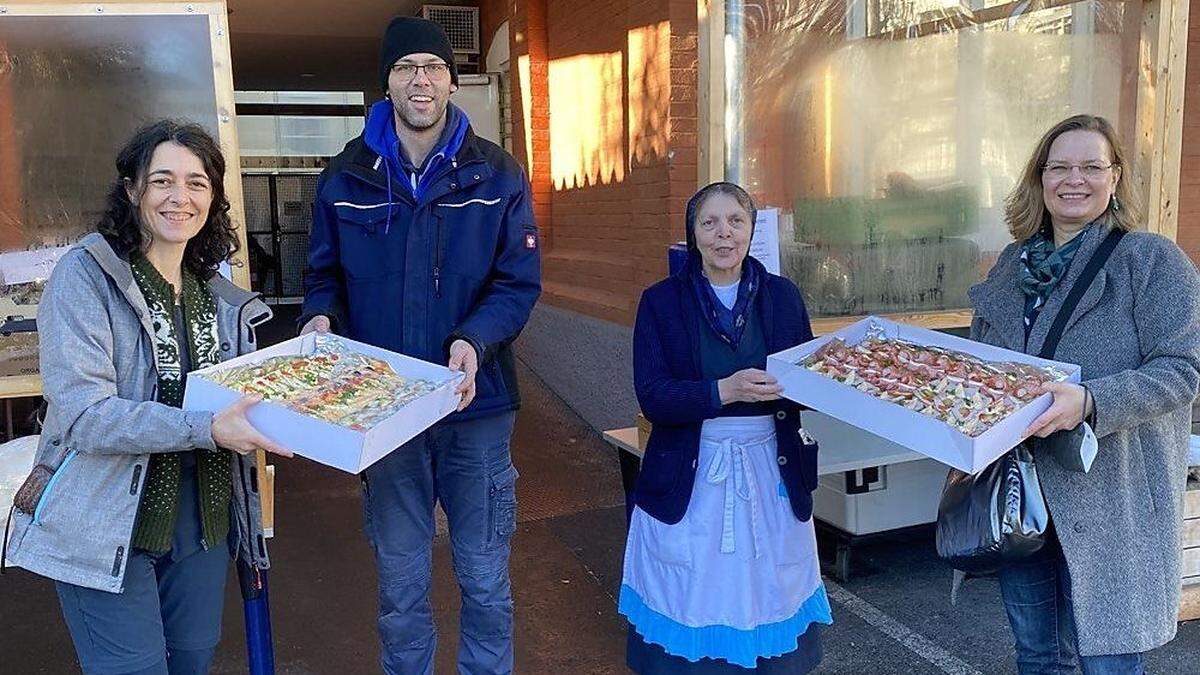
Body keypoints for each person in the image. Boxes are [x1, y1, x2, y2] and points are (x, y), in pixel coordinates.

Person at [3, 120, 292, 674]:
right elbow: (86, 415)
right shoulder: (85, 278)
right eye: (162, 180)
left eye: (197, 183)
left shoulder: (220, 296)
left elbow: (245, 398)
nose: (179, 197)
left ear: (214, 196)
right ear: (133, 190)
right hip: (107, 519)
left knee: (191, 660)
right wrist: (206, 429)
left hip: (202, 523)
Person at [299, 16, 540, 675]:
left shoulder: (496, 173)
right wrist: (320, 319)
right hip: (387, 416)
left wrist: (473, 340)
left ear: (452, 82)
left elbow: (518, 282)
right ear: (387, 83)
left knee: (484, 574)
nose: (420, 79)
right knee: (402, 585)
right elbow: (322, 277)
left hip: (476, 405)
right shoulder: (344, 178)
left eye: (432, 67)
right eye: (406, 67)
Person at [969, 114, 1200, 673]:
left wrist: (1091, 400)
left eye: (1092, 166)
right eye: (1060, 167)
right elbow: (983, 369)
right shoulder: (1010, 265)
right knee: (1039, 655)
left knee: (1108, 660)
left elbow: (1183, 369)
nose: (1076, 179)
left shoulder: (1150, 260)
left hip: (1110, 494)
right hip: (1023, 493)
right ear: (1040, 178)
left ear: (1115, 178)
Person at [621, 182, 832, 673]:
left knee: (767, 589)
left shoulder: (782, 297)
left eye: (735, 221)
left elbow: (804, 384)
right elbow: (652, 395)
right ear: (692, 235)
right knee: (698, 590)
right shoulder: (662, 302)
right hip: (692, 475)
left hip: (769, 468)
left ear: (752, 230)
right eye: (709, 222)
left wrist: (836, 383)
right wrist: (724, 392)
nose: (724, 234)